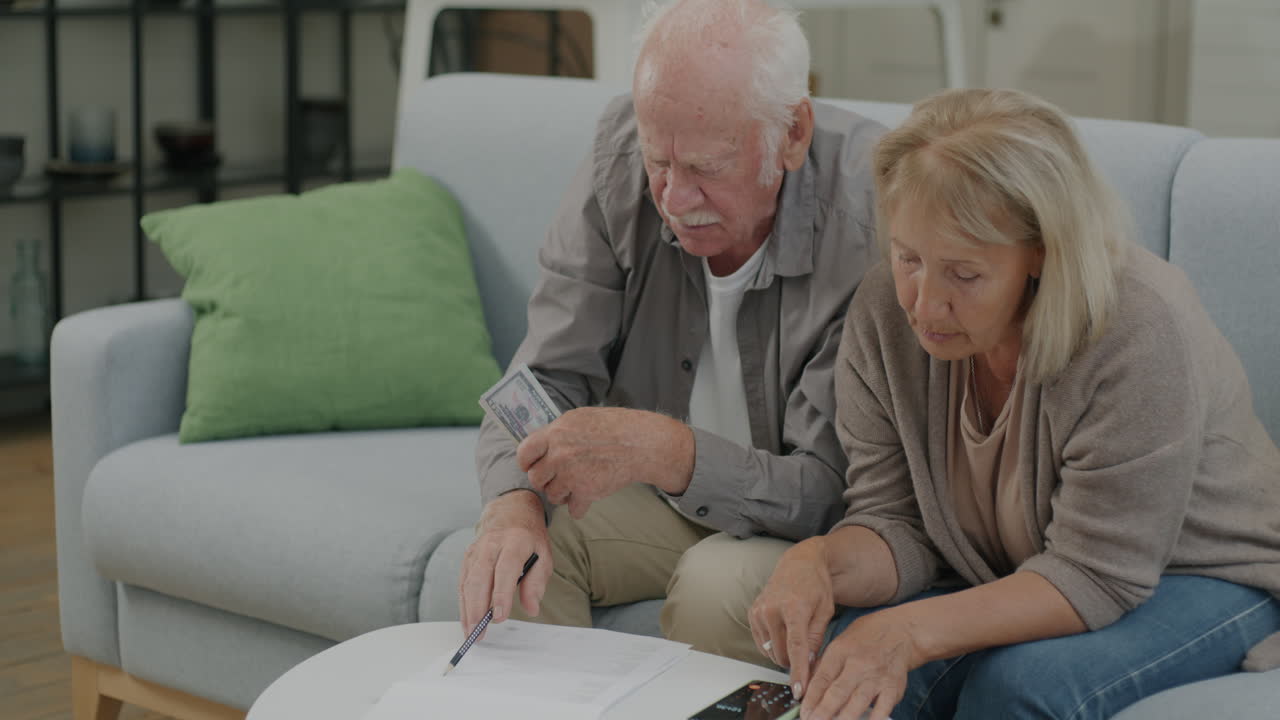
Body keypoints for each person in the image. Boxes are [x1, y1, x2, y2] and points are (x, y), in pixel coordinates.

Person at [749, 87, 1280, 720]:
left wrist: (908, 632)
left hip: (1204, 574)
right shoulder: (885, 314)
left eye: (964, 274)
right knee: (849, 663)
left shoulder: (1138, 326)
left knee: (1020, 687)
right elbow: (896, 521)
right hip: (1021, 570)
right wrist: (817, 562)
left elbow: (1098, 574)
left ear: (1041, 252)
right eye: (908, 257)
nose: (924, 303)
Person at [459, 0, 886, 665]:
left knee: (715, 591)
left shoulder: (872, 215)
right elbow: (545, 377)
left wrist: (669, 452)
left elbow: (829, 491)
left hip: (802, 528)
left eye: (707, 169)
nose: (674, 197)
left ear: (793, 133)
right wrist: (512, 504)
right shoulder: (623, 155)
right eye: (661, 161)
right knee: (510, 567)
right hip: (660, 504)